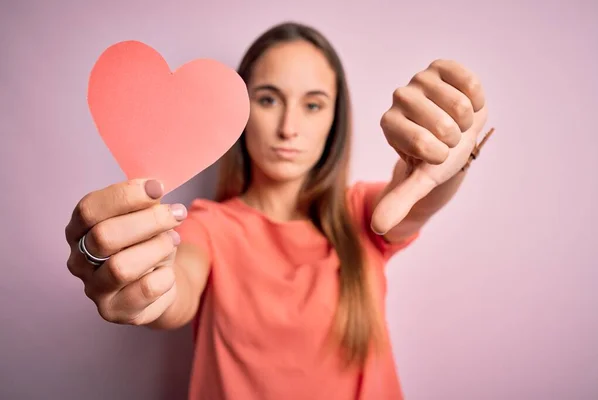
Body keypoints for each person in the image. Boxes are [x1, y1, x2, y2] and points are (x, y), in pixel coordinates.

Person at [65, 21, 491, 400]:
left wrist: (449, 159)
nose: (290, 127)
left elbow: (420, 198)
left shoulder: (361, 212)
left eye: (313, 104)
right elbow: (175, 288)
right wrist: (138, 287)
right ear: (241, 113)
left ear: (334, 119)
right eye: (268, 100)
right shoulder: (208, 227)